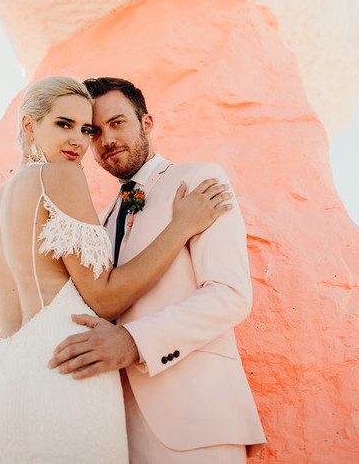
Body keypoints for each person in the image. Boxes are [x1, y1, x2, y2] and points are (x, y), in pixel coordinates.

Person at [0, 75, 232, 464]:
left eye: (84, 129)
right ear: (28, 125)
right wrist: (181, 226)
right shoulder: (60, 175)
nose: (78, 140)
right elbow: (103, 298)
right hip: (63, 372)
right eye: (63, 124)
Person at [50, 77, 266, 462]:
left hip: (199, 417)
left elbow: (230, 295)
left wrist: (133, 342)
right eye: (94, 132)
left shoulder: (200, 179)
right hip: (117, 432)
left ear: (146, 123)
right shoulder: (97, 222)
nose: (107, 141)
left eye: (118, 123)